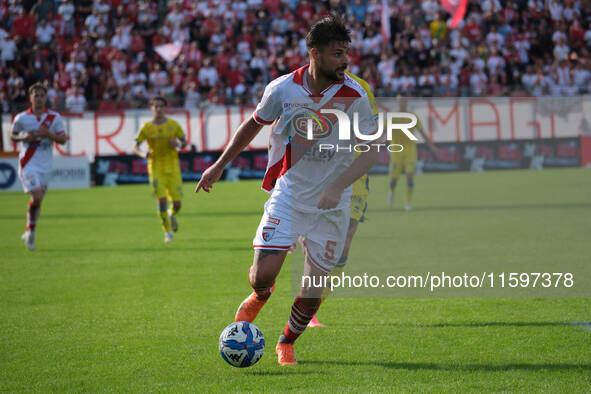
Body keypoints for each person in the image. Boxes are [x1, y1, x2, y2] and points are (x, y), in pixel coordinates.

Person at [196, 15, 382, 366]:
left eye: (347, 54)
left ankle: (286, 342)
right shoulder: (282, 88)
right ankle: (262, 294)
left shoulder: (355, 95)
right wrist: (219, 165)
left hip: (332, 204)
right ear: (315, 53)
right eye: (337, 54)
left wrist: (338, 186)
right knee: (260, 276)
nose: (345, 62)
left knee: (312, 292)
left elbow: (372, 149)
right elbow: (253, 124)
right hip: (290, 195)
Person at [11, 82, 67, 251]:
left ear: (46, 98)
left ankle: (30, 231)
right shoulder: (21, 118)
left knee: (38, 200)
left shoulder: (54, 118)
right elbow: (12, 136)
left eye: (42, 95)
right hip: (28, 164)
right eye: (36, 95)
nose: (39, 98)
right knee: (37, 196)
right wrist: (23, 138)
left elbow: (63, 140)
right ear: (31, 98)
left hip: (45, 166)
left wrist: (48, 134)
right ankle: (31, 232)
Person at [133, 96, 187, 243]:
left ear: (165, 108)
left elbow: (184, 142)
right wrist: (143, 154)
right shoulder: (146, 127)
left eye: (161, 106)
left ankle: (171, 214)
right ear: (151, 108)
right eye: (155, 106)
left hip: (173, 167)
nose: (158, 109)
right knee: (161, 201)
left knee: (177, 204)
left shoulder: (173, 125)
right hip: (155, 168)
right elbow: (135, 146)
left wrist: (177, 144)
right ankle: (168, 232)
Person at [388, 95, 439, 210]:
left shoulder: (413, 117)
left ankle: (408, 203)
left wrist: (433, 148)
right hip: (396, 151)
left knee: (410, 177)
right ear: (397, 102)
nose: (402, 103)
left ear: (407, 102)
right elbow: (382, 133)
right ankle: (391, 191)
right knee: (393, 181)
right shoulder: (391, 117)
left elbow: (422, 133)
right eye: (400, 101)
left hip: (410, 150)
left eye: (404, 100)